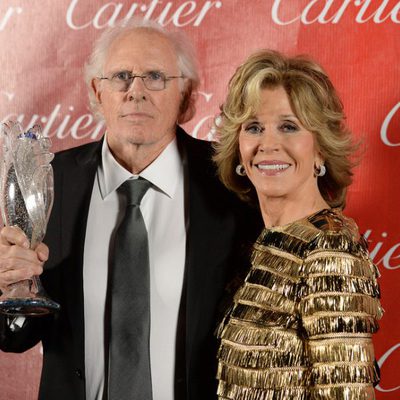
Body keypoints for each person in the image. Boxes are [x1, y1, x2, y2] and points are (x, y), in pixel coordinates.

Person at [0, 19, 258, 400]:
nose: (135, 92)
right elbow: (15, 336)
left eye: (155, 76)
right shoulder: (48, 180)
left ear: (186, 95)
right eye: (121, 76)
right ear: (97, 91)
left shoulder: (232, 185)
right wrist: (9, 293)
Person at [213, 50, 383, 399]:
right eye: (254, 127)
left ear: (320, 149)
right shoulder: (263, 244)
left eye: (288, 126)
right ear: (239, 148)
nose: (268, 144)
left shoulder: (332, 248)